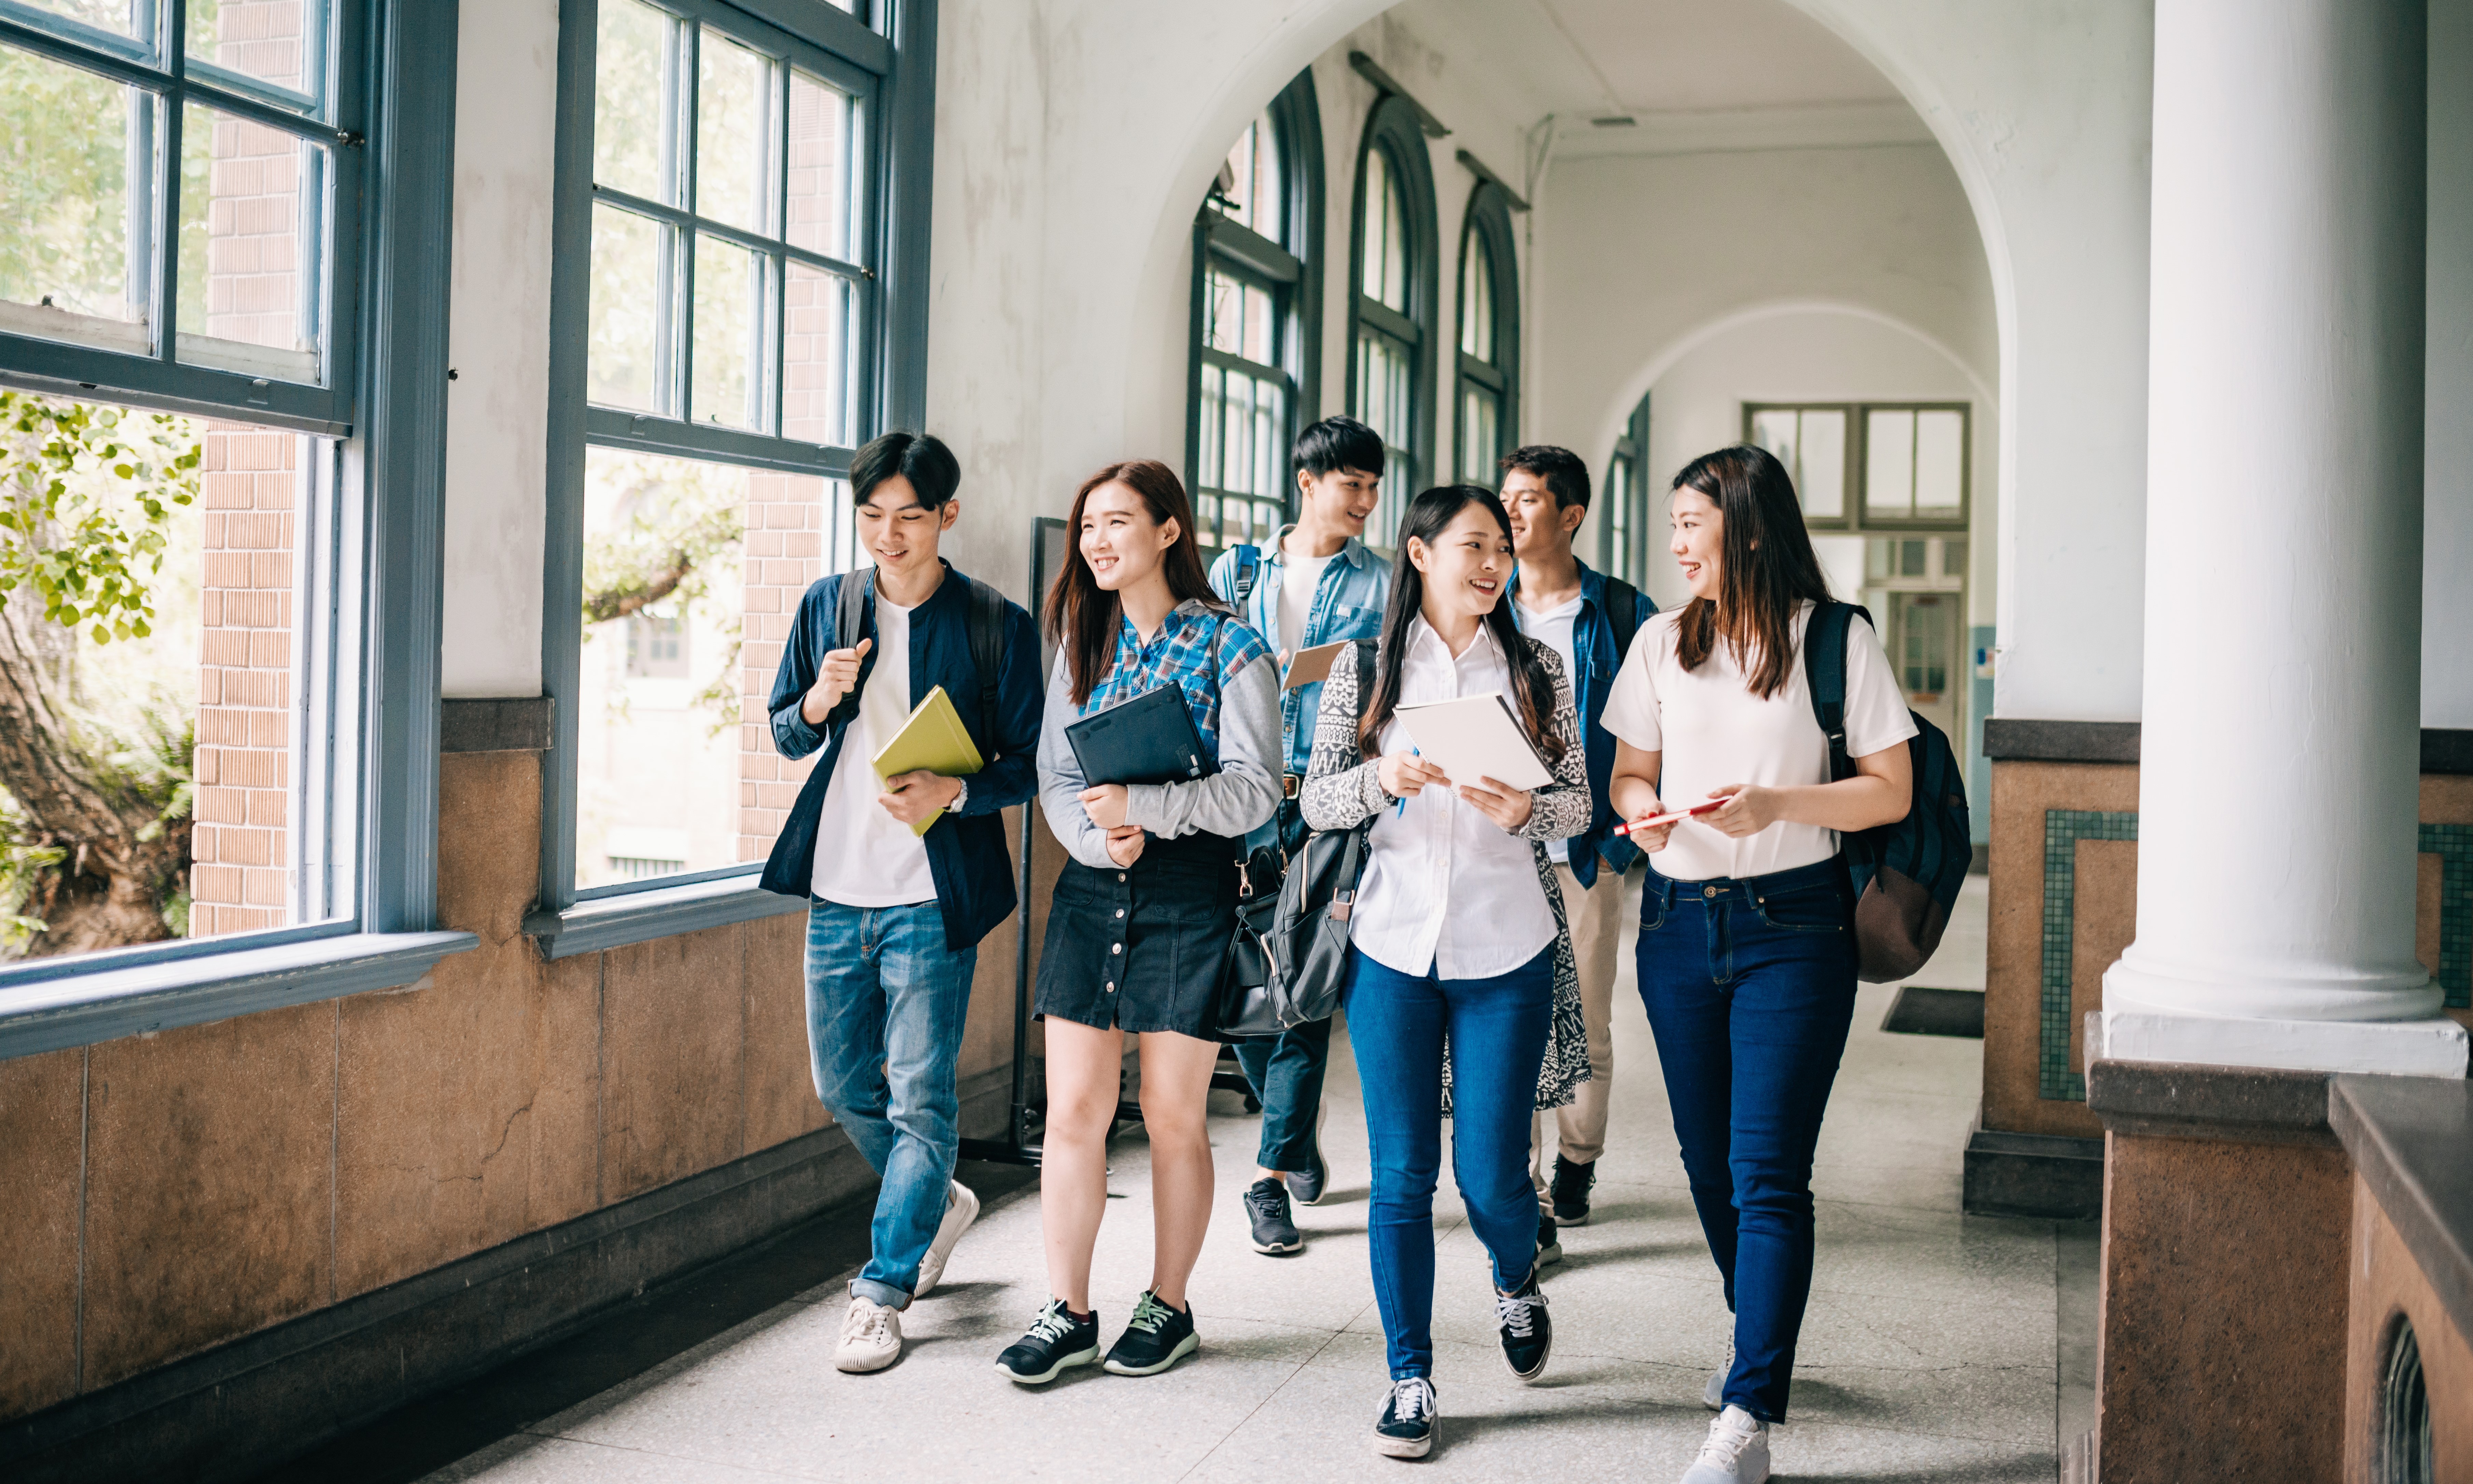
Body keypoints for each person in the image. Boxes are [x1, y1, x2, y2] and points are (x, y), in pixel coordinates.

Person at [1601, 446, 1915, 1484]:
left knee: (1767, 1172)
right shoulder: (1659, 641)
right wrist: (1637, 812)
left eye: (1692, 521)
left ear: (1745, 524)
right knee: (1705, 1164)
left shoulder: (1834, 638)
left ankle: (1747, 1412)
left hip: (1795, 927)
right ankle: (1759, 1341)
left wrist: (1778, 803)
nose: (1677, 541)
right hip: (1680, 927)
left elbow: (1888, 790)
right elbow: (1630, 769)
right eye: (1676, 523)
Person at [1298, 485, 1594, 1459]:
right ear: (1418, 553)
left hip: (1504, 944)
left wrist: (1526, 811)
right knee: (1401, 1177)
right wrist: (1380, 777)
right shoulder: (1368, 666)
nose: (1492, 564)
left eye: (1501, 549)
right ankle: (1410, 1376)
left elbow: (1579, 806)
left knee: (1491, 1177)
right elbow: (1318, 801)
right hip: (1391, 945)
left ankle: (1516, 1278)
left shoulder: (1537, 667)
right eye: (1473, 545)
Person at [759, 431, 1044, 1375]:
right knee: (842, 1084)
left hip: (931, 894)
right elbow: (783, 733)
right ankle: (936, 1201)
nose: (888, 534)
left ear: (947, 516)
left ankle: (882, 1292)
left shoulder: (993, 623)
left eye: (909, 517)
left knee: (922, 1094)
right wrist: (815, 702)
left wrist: (953, 793)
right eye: (872, 516)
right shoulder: (827, 606)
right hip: (837, 888)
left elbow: (1028, 763)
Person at [994, 459, 1282, 1386]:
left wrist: (1147, 813)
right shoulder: (1081, 638)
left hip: (1189, 891)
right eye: (1088, 528)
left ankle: (1170, 1301)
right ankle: (1068, 1311)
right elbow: (1055, 774)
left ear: (1168, 531)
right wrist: (1094, 837)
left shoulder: (1232, 648)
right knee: (1074, 1113)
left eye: (1118, 523)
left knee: (1170, 1116)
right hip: (1093, 888)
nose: (1099, 542)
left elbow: (1252, 791)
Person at [1204, 415, 1390, 1257]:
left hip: (1326, 801)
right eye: (1352, 484)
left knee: (1306, 984)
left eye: (1373, 487)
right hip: (1238, 800)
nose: (1366, 501)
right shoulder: (1236, 571)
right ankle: (1295, 1126)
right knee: (1246, 986)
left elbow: (1388, 685)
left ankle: (1270, 1177)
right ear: (1307, 482)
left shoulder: (1382, 582)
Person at [1499, 444, 1656, 1257]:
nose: (1512, 512)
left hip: (1581, 847)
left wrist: (1621, 839)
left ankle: (1578, 1159)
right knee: (1508, 1023)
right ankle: (1520, 1194)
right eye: (1506, 498)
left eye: (1529, 500)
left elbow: (1650, 730)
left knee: (1584, 1022)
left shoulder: (1623, 612)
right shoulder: (1486, 603)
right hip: (1494, 846)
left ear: (1571, 515)